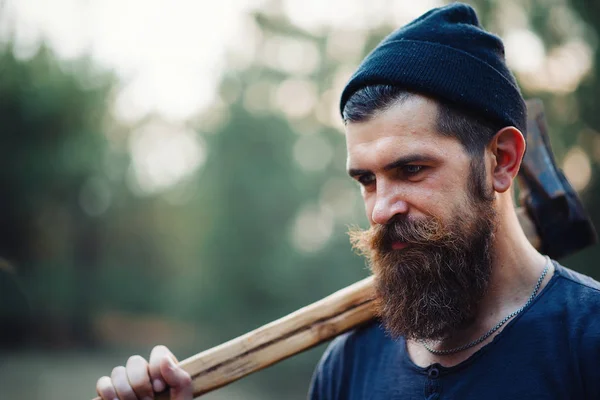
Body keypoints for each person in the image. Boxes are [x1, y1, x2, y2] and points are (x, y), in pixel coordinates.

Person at [95, 3, 600, 400]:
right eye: (366, 179)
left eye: (411, 169)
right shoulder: (347, 366)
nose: (382, 209)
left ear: (503, 161)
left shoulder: (587, 344)